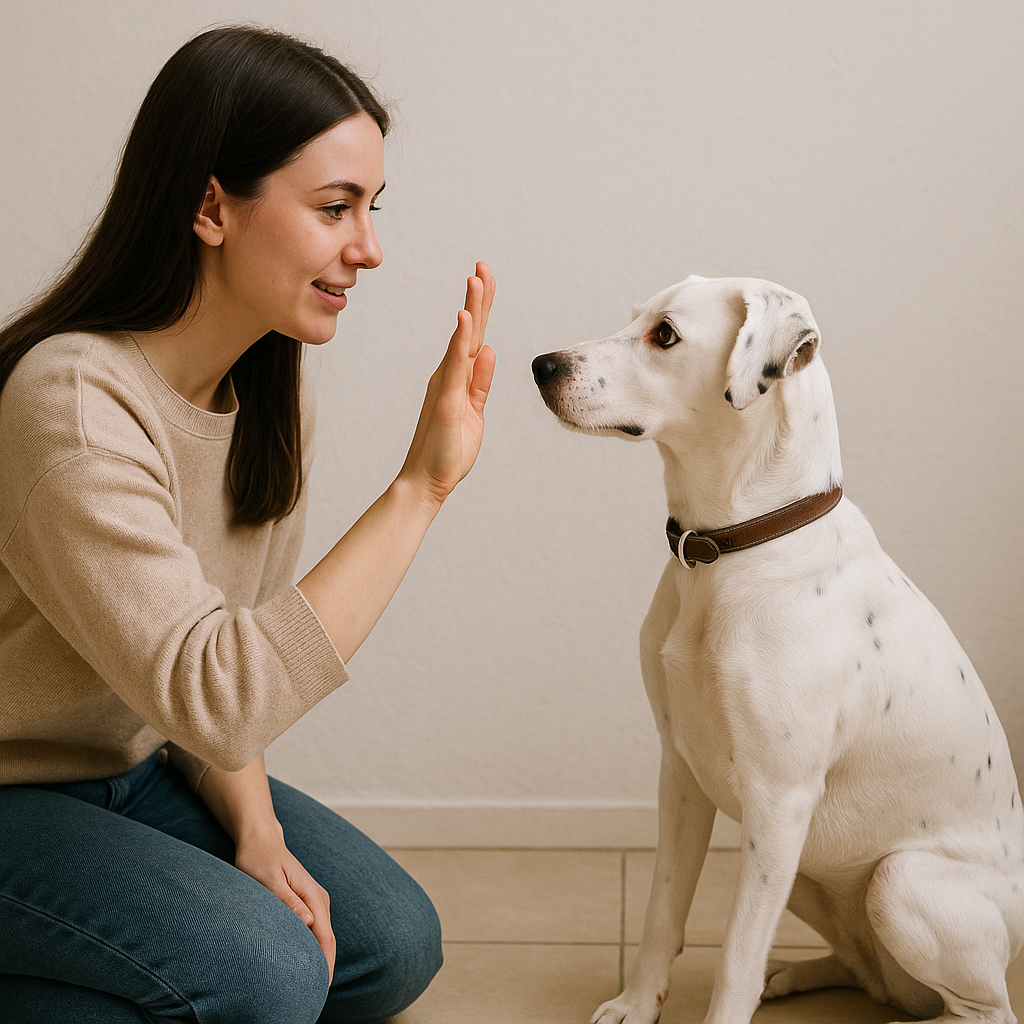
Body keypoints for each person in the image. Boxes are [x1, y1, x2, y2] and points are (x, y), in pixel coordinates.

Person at [0, 24, 496, 1024]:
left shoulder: (266, 393)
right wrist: (419, 488)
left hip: (132, 769)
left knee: (386, 941)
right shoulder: (71, 404)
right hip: (12, 793)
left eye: (370, 207)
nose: (368, 247)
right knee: (268, 974)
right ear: (210, 205)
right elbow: (222, 694)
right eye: (334, 208)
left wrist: (256, 827)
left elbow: (225, 656)